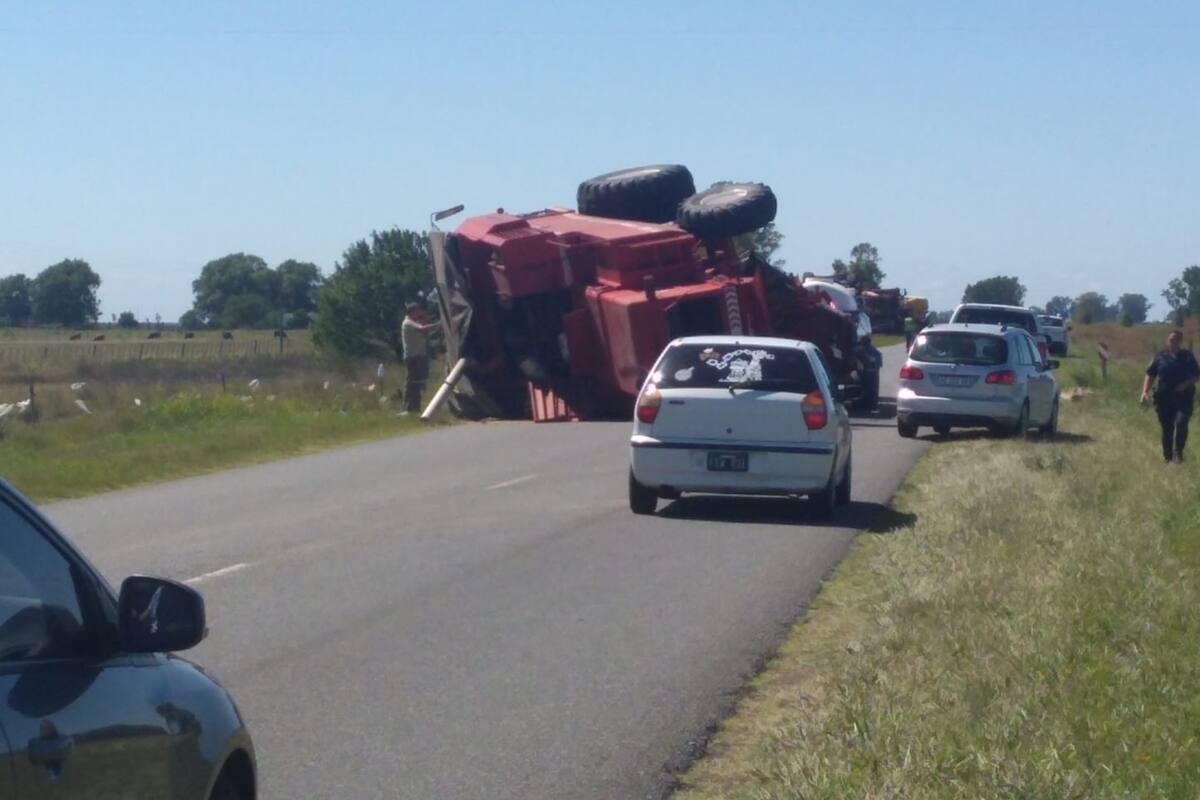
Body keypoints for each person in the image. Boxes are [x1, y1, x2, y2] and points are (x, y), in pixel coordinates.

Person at [1141, 329, 1200, 463]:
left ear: (1180, 341)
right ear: (1167, 340)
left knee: (1181, 423)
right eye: (1171, 339)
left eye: (1177, 340)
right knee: (1167, 428)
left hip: (1184, 397)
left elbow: (1197, 375)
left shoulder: (1187, 356)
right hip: (1164, 397)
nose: (1173, 342)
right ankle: (1167, 457)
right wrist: (1145, 392)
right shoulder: (1160, 357)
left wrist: (1186, 384)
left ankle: (1178, 453)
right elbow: (1150, 374)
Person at [401, 303, 440, 415]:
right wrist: (438, 324)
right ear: (412, 312)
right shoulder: (408, 323)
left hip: (419, 355)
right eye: (418, 311)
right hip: (413, 356)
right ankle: (408, 408)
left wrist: (424, 318)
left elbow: (425, 331)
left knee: (417, 383)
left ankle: (414, 408)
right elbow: (422, 328)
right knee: (411, 383)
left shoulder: (414, 322)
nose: (419, 313)